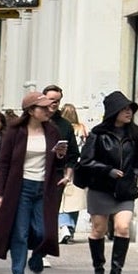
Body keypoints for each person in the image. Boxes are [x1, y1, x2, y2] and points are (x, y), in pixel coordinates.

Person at [0, 92, 67, 274]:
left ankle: (36, 262)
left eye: (49, 107)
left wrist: (59, 156)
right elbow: (3, 164)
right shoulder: (15, 132)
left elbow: (59, 162)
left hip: (44, 187)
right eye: (43, 108)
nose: (48, 110)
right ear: (31, 111)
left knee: (44, 231)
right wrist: (0, 193)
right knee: (20, 233)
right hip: (20, 188)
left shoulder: (52, 131)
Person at [75, 90, 138, 274]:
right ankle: (98, 269)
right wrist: (107, 171)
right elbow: (86, 161)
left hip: (125, 189)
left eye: (130, 109)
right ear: (113, 111)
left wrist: (136, 171)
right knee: (98, 230)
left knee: (123, 228)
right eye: (124, 109)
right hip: (101, 188)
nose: (128, 112)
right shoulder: (98, 134)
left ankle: (116, 273)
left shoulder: (136, 134)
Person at [55, 101, 85, 242]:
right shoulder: (82, 129)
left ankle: (64, 226)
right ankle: (70, 228)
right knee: (75, 201)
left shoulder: (62, 128)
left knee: (64, 200)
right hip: (79, 167)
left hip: (65, 165)